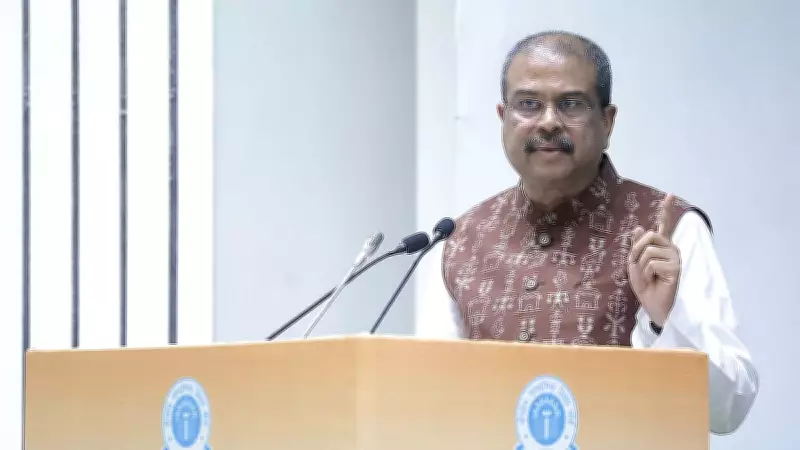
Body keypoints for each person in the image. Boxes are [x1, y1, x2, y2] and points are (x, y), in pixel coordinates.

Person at [415, 30, 758, 435]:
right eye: (528, 104)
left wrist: (666, 320)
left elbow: (729, 408)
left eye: (571, 104)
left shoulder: (667, 232)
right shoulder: (460, 242)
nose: (547, 122)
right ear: (503, 118)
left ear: (607, 121)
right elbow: (430, 401)